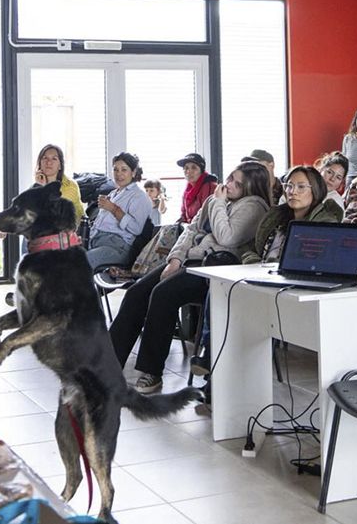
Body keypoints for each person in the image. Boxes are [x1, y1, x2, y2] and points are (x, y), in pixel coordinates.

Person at [110, 163, 272, 393]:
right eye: (230, 178)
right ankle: (108, 363)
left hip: (216, 269)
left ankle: (151, 371)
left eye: (238, 183)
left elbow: (227, 237)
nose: (229, 185)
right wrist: (175, 259)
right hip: (188, 260)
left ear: (251, 187)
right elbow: (191, 230)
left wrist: (217, 203)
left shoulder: (254, 206)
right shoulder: (215, 200)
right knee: (137, 292)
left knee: (162, 295)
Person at [242, 165, 344, 264]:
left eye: (301, 187)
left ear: (315, 190)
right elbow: (252, 249)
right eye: (289, 186)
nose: (293, 192)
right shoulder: (276, 216)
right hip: (260, 271)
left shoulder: (325, 223)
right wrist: (254, 262)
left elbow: (309, 263)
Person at [86, 152, 154, 271]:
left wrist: (114, 209)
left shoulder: (140, 196)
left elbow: (136, 229)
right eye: (115, 170)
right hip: (96, 240)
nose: (119, 174)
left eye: (124, 170)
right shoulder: (113, 194)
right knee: (66, 256)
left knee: (82, 262)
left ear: (133, 172)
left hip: (118, 247)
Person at [33, 143, 83, 226]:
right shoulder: (36, 186)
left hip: (69, 230)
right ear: (40, 164)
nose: (49, 162)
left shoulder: (70, 186)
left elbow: (53, 215)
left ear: (60, 166)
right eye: (45, 158)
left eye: (54, 159)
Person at [176, 153, 218, 223]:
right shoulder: (188, 189)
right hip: (190, 227)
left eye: (194, 167)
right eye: (186, 168)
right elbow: (183, 215)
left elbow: (205, 218)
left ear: (201, 171)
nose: (188, 171)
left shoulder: (210, 187)